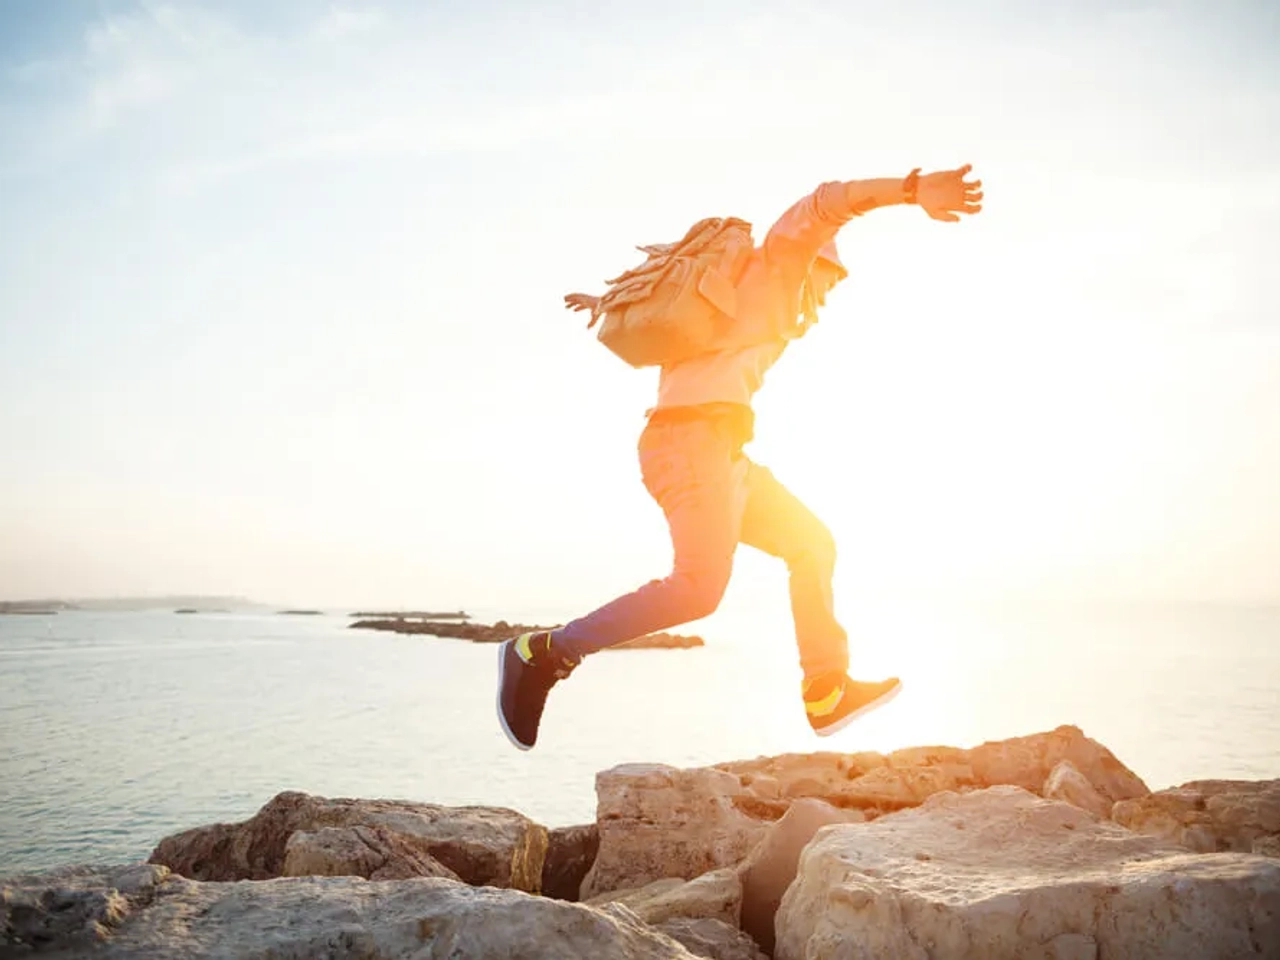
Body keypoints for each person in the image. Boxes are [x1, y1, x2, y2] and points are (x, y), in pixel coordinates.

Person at [497, 164, 984, 751]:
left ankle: (826, 688)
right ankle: (543, 652)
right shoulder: (781, 269)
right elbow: (822, 204)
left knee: (811, 543)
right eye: (829, 273)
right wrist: (908, 192)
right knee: (698, 589)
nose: (830, 288)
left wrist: (606, 301)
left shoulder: (728, 304)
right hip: (690, 444)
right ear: (815, 261)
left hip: (721, 452)